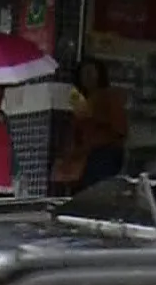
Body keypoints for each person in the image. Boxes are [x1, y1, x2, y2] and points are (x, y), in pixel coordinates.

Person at [54, 58, 128, 193]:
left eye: (91, 73)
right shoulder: (78, 98)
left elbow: (120, 129)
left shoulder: (109, 97)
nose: (87, 77)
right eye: (84, 73)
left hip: (104, 153)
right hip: (83, 155)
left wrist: (94, 118)